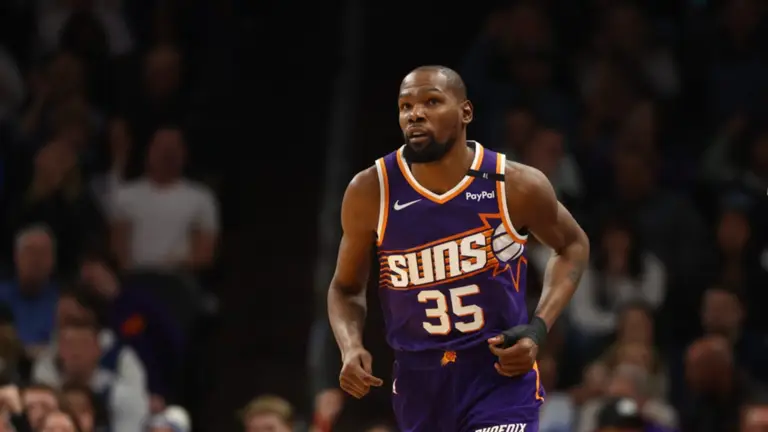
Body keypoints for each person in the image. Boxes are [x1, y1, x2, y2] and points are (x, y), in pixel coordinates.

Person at [328, 65, 589, 432]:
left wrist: (538, 328)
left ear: (466, 112)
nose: (415, 114)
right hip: (419, 382)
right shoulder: (372, 191)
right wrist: (350, 346)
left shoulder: (513, 184)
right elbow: (345, 287)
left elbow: (573, 244)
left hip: (498, 373)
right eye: (405, 106)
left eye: (431, 101)